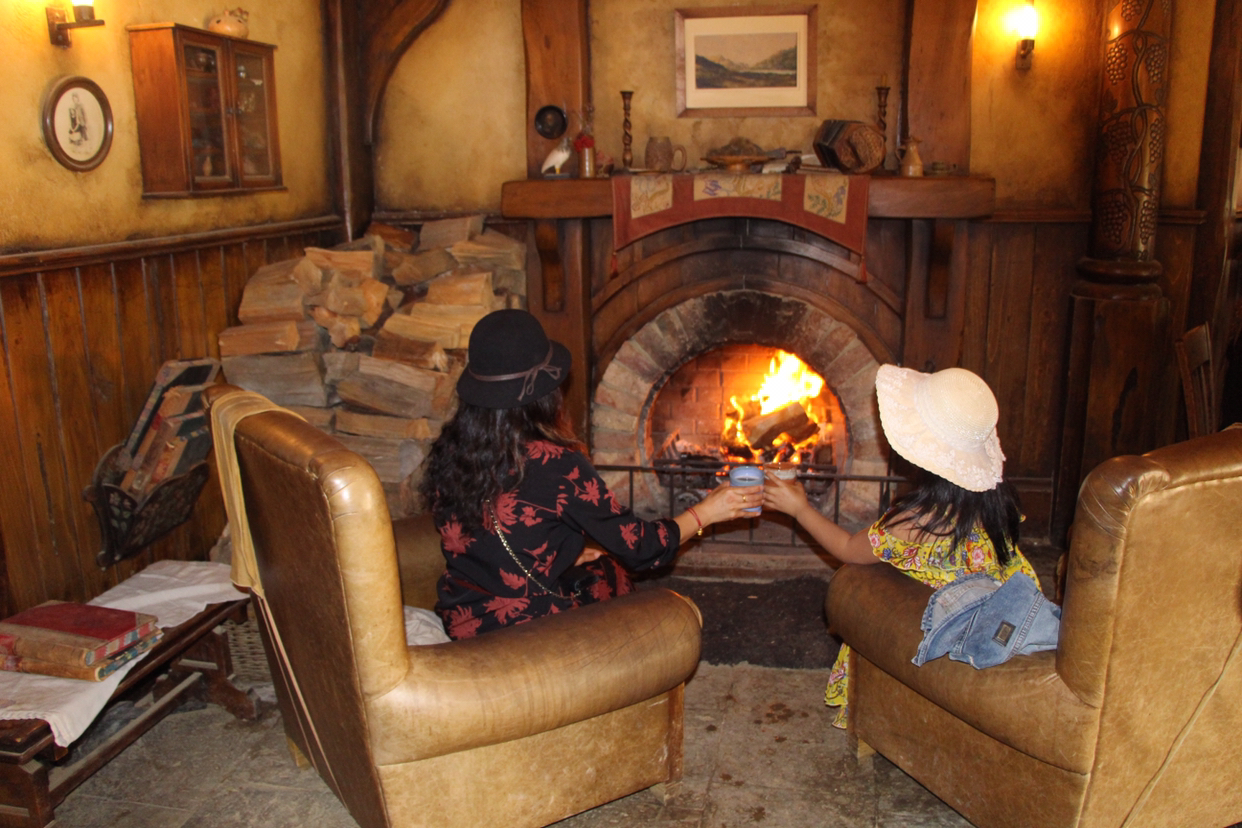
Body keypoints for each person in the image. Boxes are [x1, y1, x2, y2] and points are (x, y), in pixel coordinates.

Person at [420, 309, 760, 639]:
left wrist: (560, 557)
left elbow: (487, 536)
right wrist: (707, 513)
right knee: (619, 578)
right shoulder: (555, 464)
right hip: (522, 635)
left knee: (603, 566)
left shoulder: (450, 452)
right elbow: (640, 547)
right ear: (546, 395)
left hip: (463, 619)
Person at [762, 364, 1039, 727]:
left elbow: (848, 548)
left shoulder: (918, 520)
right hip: (1013, 611)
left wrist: (799, 509)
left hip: (956, 626)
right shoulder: (1000, 505)